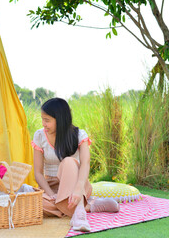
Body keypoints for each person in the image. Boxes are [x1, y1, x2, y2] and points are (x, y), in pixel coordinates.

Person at [32, 98, 120, 232]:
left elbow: (85, 164)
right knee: (34, 206)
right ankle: (89, 206)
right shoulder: (39, 136)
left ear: (60, 119)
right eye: (42, 119)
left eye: (47, 120)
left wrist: (78, 190)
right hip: (52, 187)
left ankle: (79, 214)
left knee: (68, 162)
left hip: (77, 185)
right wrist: (50, 194)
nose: (43, 123)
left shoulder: (79, 134)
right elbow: (38, 172)